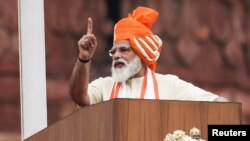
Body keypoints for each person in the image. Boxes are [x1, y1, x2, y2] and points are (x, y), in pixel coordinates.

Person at [69, 6, 228, 107]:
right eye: (113, 51)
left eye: (123, 50)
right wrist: (84, 59)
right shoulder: (105, 86)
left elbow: (217, 104)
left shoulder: (169, 85)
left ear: (141, 53)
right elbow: (79, 97)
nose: (116, 55)